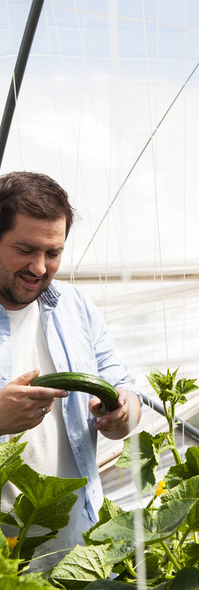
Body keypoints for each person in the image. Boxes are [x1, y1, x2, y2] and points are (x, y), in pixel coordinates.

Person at [0, 171, 141, 571]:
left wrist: (123, 413)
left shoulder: (75, 307)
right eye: (25, 249)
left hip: (74, 546)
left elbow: (123, 387)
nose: (39, 267)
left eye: (53, 253)